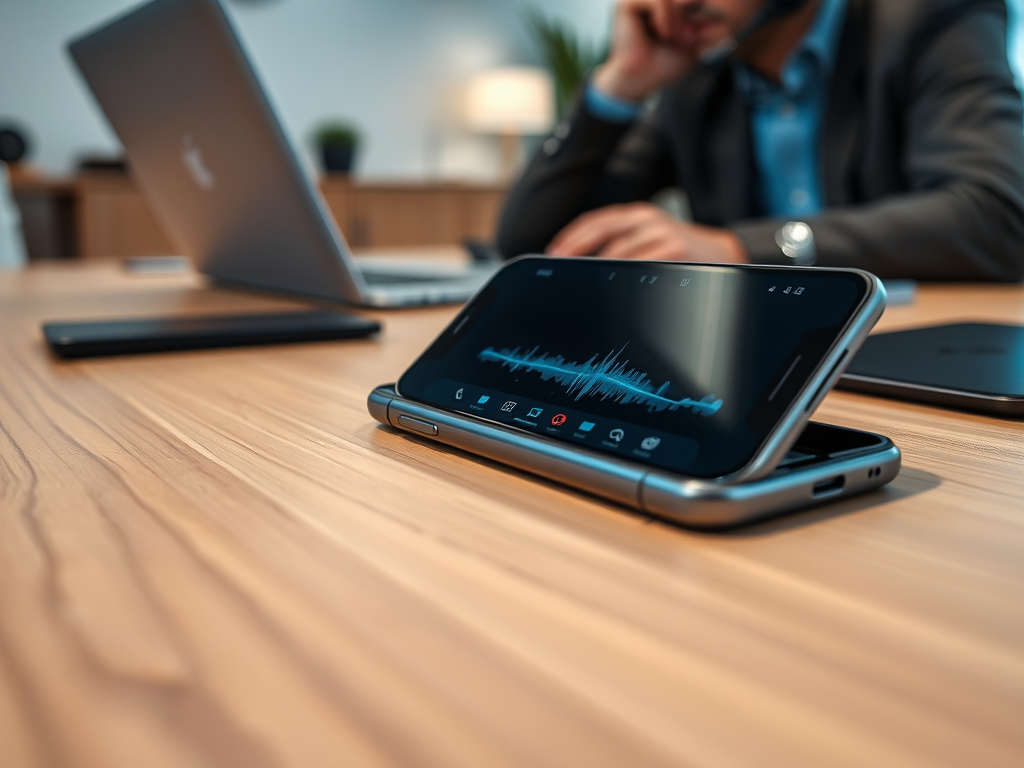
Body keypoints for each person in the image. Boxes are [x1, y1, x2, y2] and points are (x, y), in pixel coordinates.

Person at [496, 0, 1024, 281]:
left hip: (916, 355)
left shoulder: (931, 15)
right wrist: (621, 84)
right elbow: (530, 242)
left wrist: (740, 249)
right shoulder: (697, 75)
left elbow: (996, 216)